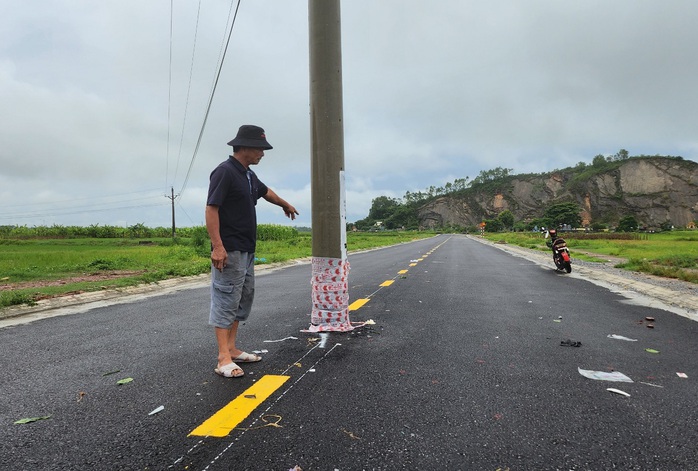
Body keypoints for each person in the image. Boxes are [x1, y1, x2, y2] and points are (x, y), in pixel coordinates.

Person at [205, 124, 298, 378]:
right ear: (245, 147)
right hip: (229, 249)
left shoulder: (247, 175)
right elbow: (211, 209)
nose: (263, 154)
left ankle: (233, 349)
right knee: (226, 298)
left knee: (241, 298)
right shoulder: (224, 172)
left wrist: (285, 204)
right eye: (260, 149)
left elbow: (265, 192)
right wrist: (218, 246)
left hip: (246, 250)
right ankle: (223, 357)